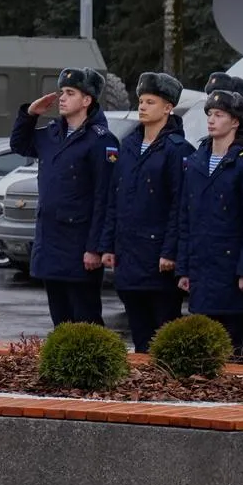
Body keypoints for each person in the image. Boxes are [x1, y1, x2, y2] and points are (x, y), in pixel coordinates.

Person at [10, 68, 114, 327]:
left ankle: (92, 367)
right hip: (51, 240)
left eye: (70, 93)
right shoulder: (52, 134)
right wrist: (30, 114)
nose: (62, 99)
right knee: (60, 318)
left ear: (87, 100)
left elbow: (105, 197)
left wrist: (95, 248)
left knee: (86, 318)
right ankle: (64, 368)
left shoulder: (100, 140)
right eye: (62, 93)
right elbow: (19, 144)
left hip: (80, 244)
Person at [99, 72, 191, 352]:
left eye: (150, 101)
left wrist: (170, 251)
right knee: (139, 332)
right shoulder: (128, 147)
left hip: (157, 257)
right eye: (141, 101)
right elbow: (114, 199)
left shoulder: (178, 150)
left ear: (167, 108)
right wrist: (108, 244)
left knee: (164, 331)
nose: (142, 106)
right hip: (129, 254)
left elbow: (180, 206)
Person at [173, 89, 243, 362]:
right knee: (207, 346)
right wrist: (184, 268)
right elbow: (186, 218)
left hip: (232, 267)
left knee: (236, 345)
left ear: (235, 122)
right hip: (203, 265)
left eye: (219, 115)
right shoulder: (197, 161)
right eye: (210, 114)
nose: (212, 120)